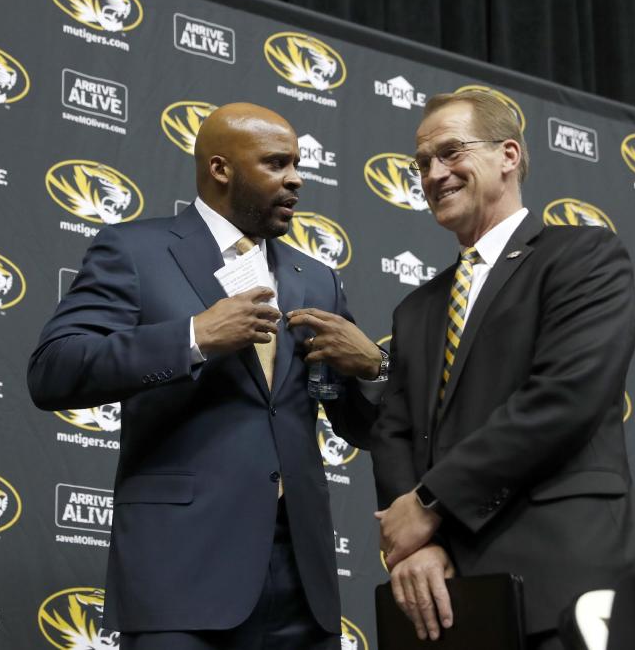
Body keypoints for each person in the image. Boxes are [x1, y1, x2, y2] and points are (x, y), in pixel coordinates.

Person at [27, 103, 384, 650]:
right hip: (180, 576)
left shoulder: (315, 278)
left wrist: (373, 370)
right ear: (221, 169)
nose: (297, 179)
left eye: (298, 164)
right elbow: (54, 370)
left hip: (302, 582)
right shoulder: (135, 251)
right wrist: (192, 337)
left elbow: (360, 427)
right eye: (276, 163)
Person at [371, 91, 635, 650]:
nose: (434, 173)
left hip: (566, 582)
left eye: (451, 152)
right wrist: (414, 545)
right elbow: (394, 430)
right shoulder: (417, 310)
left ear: (508, 155)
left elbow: (564, 398)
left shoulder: (583, 257)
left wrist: (430, 504)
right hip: (453, 601)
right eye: (422, 162)